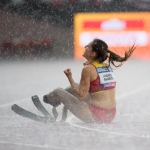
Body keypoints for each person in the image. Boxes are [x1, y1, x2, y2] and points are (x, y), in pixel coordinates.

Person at [43, 38, 136, 123]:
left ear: (93, 54)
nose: (85, 47)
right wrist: (90, 63)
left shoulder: (88, 69)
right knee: (74, 86)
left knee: (58, 91)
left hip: (95, 115)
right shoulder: (106, 65)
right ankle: (54, 100)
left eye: (88, 46)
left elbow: (81, 96)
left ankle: (51, 98)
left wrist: (69, 77)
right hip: (110, 114)